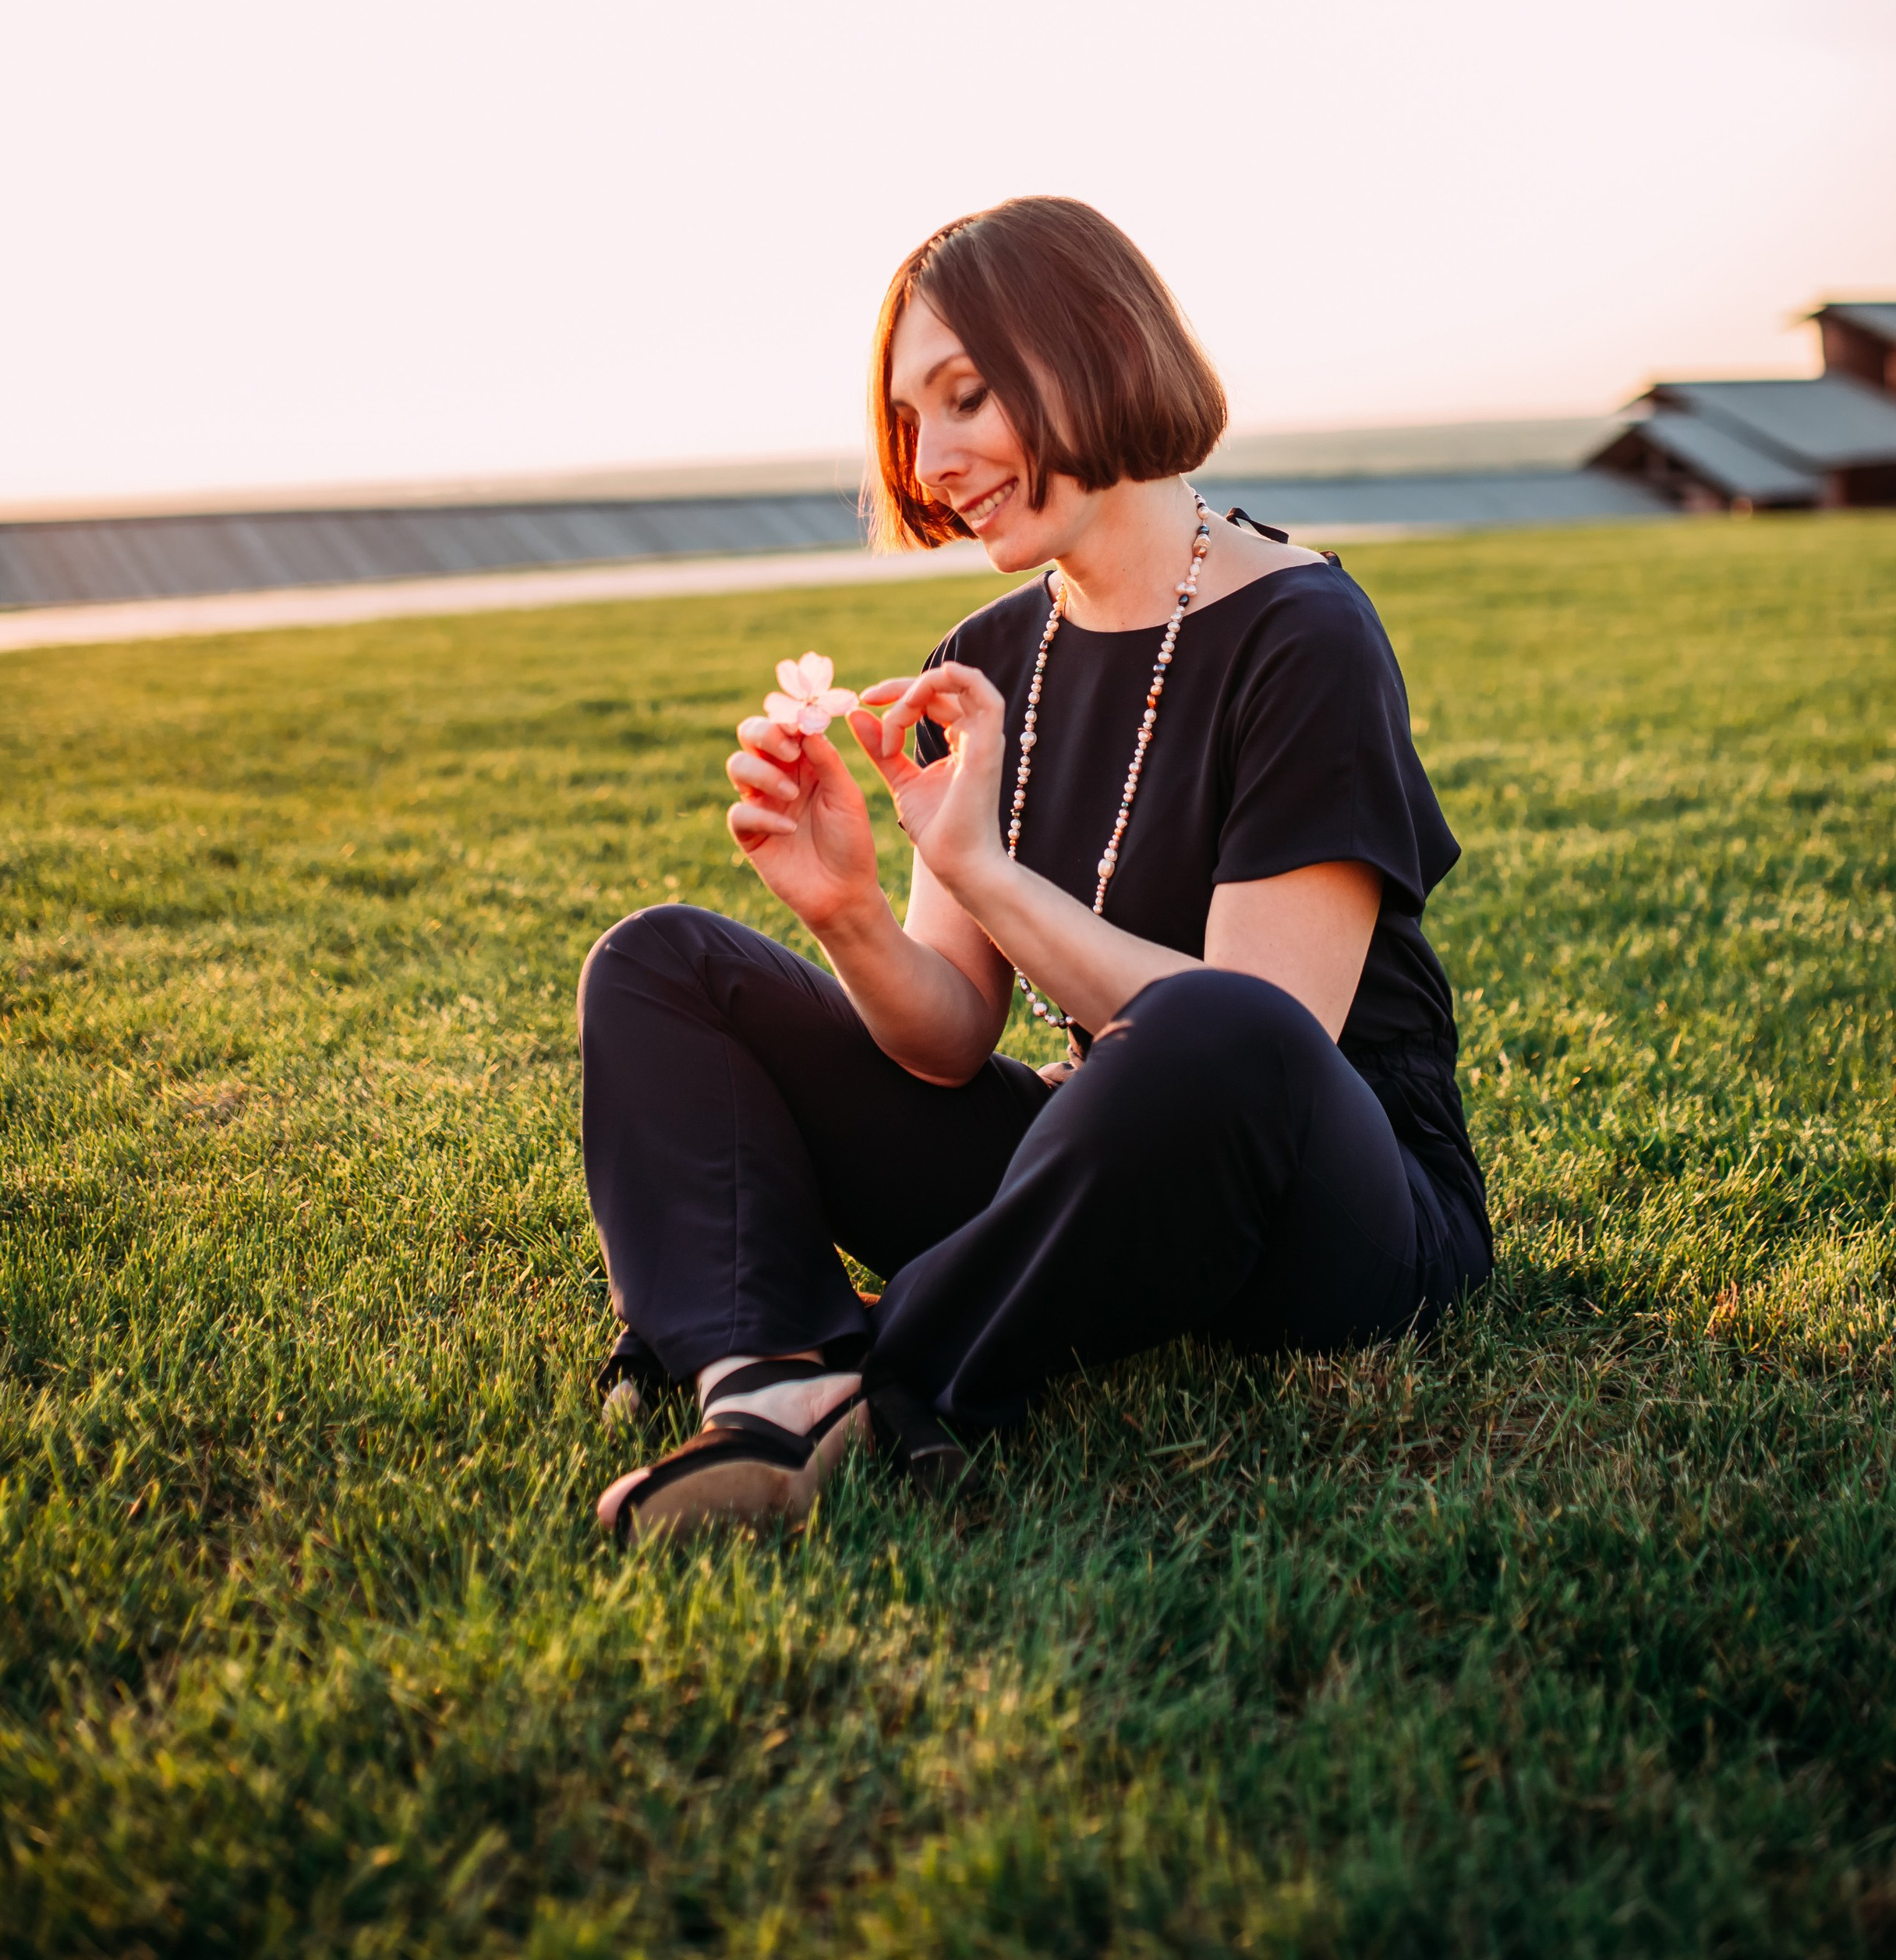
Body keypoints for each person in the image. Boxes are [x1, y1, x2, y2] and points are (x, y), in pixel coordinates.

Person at [582, 197, 1491, 1542]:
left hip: (1339, 1200)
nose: (934, 458)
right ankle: (769, 1373)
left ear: (1097, 348)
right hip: (1105, 1165)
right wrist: (845, 915)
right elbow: (952, 1038)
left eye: (967, 397)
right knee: (661, 964)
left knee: (1211, 1026)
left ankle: (895, 1370)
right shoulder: (996, 652)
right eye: (909, 420)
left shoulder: (1306, 631)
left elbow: (1270, 1033)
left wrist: (990, 871)